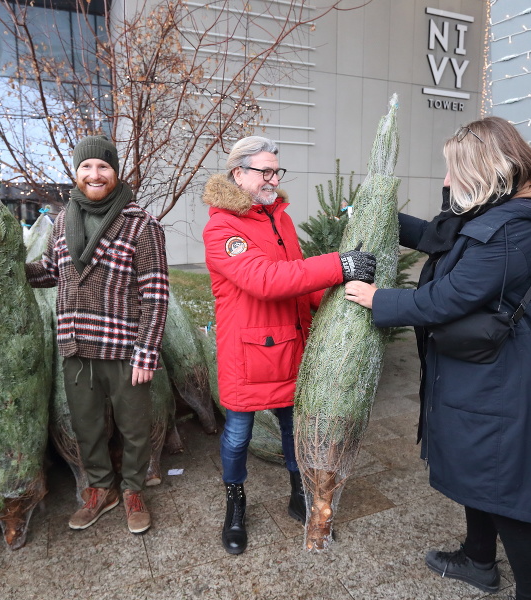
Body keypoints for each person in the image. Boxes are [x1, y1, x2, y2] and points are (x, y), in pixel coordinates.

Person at [344, 117, 531, 600]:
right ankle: (478, 560)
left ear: (486, 172)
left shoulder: (513, 230)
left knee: (508, 492)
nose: (445, 182)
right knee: (479, 472)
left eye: (452, 172)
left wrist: (377, 298)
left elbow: (444, 299)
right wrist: (377, 212)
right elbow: (439, 239)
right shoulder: (493, 213)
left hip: (504, 378)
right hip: (481, 369)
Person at [202, 135, 376, 555]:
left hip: (288, 346)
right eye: (264, 171)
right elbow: (265, 280)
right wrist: (339, 264)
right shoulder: (222, 226)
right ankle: (235, 506)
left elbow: (295, 277)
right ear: (238, 174)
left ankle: (299, 493)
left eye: (276, 171)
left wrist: (335, 299)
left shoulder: (279, 218)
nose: (272, 179)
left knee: (291, 430)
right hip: (247, 353)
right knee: (238, 436)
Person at [26, 135, 169, 535]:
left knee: (134, 428)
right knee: (86, 427)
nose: (95, 174)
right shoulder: (62, 219)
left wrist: (146, 352)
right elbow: (51, 271)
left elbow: (156, 294)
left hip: (124, 348)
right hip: (77, 345)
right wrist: (9, 270)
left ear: (115, 172)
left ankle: (134, 489)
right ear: (76, 173)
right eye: (86, 167)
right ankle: (101, 490)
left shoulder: (140, 224)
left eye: (103, 167)